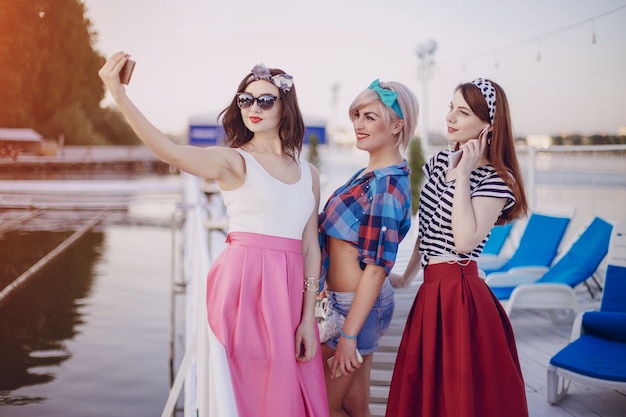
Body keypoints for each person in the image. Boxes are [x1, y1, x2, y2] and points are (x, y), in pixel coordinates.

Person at [99, 53, 329, 417]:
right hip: (246, 287)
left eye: (265, 100)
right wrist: (120, 96)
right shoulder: (233, 160)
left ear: (285, 108)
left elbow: (310, 247)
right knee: (253, 392)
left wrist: (307, 316)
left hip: (289, 293)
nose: (253, 107)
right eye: (245, 100)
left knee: (294, 394)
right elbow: (170, 152)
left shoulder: (309, 173)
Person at [385, 78, 529, 417]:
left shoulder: (497, 178)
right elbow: (428, 230)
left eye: (463, 112)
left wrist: (463, 175)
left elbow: (464, 240)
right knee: (428, 396)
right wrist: (406, 278)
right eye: (451, 107)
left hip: (462, 297)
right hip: (431, 292)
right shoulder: (437, 164)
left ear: (488, 126)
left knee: (459, 397)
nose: (450, 117)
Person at [318, 80, 419, 416]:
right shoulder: (369, 173)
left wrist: (348, 336)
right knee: (353, 406)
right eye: (357, 115)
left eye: (370, 117)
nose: (359, 124)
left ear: (396, 126)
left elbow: (376, 268)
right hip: (349, 303)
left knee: (322, 407)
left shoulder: (387, 185)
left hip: (357, 308)